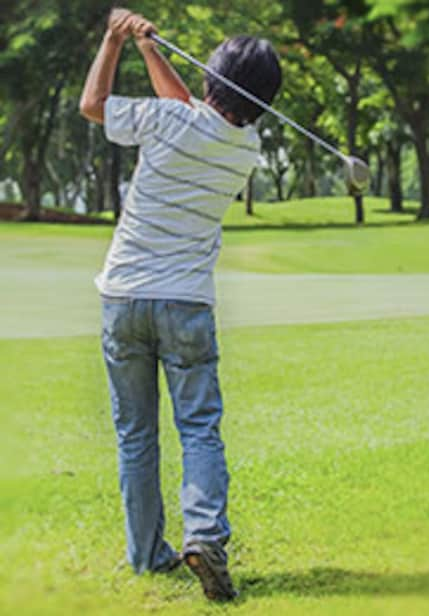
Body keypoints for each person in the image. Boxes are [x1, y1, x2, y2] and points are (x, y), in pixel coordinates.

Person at [79, 8, 282, 601]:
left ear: (211, 80)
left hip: (123, 299)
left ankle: (147, 554)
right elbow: (193, 110)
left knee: (135, 433)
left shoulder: (168, 120)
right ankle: (204, 537)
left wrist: (114, 41)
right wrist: (150, 50)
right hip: (187, 304)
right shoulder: (246, 148)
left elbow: (94, 106)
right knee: (199, 429)